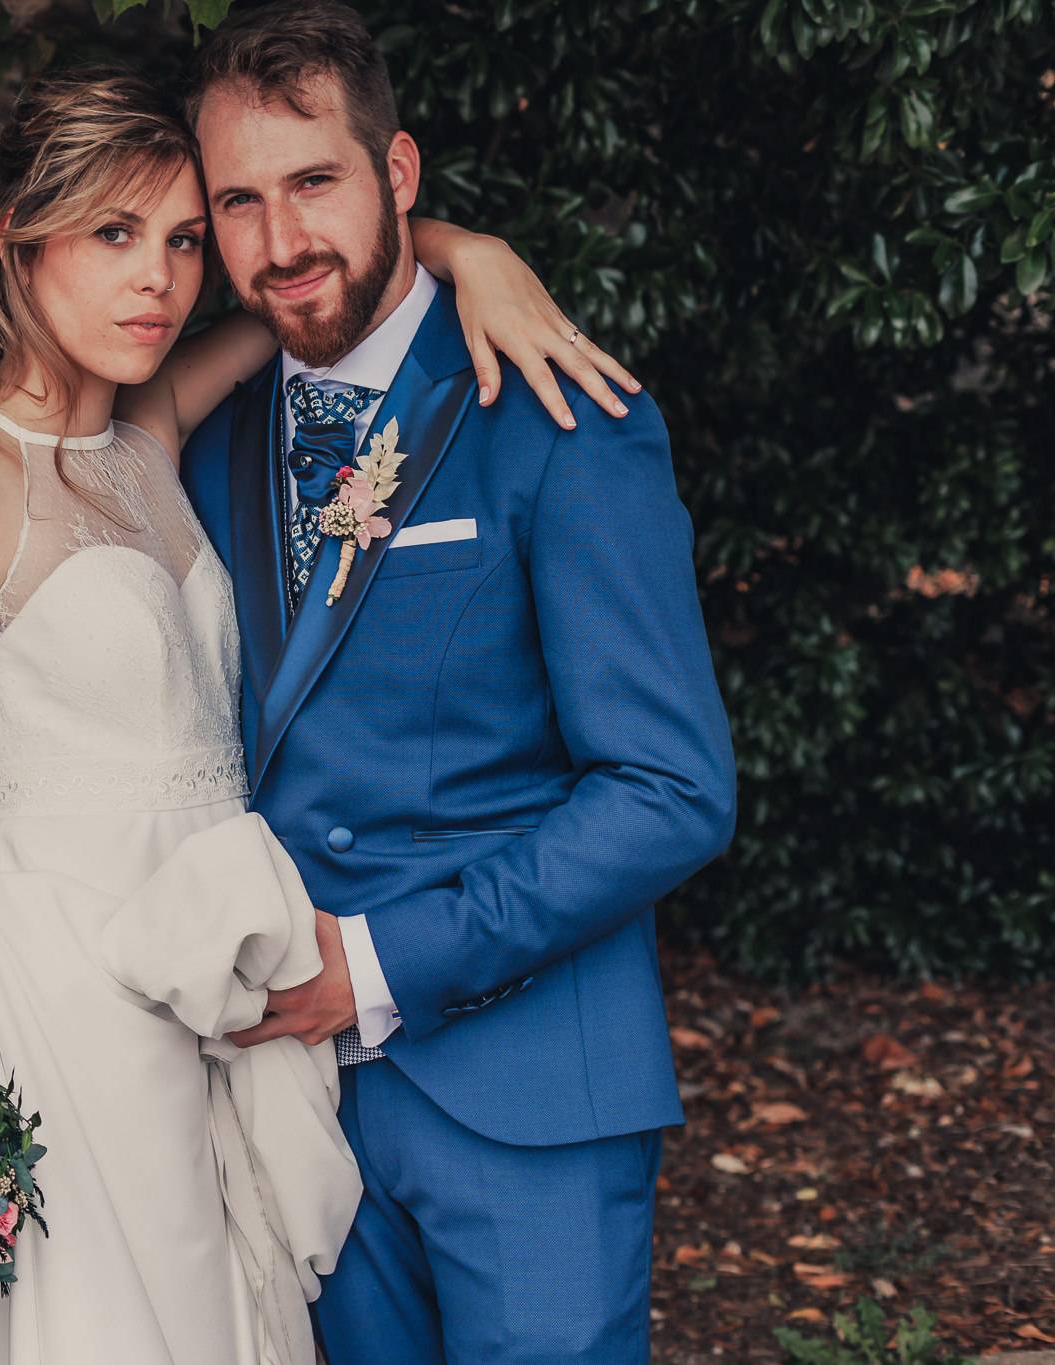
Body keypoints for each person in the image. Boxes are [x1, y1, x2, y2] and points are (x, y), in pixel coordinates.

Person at [0, 61, 650, 1365]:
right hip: (61, 975)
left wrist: (469, 250)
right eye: (113, 235)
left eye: (182, 239)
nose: (159, 276)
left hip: (222, 963)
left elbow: (318, 282)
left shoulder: (150, 432)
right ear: (17, 241)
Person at [170, 5, 739, 1364]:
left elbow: (670, 791)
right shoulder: (203, 440)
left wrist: (371, 964)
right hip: (283, 1104)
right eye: (238, 202)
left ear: (400, 174)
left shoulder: (559, 419)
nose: (281, 240)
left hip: (526, 1091)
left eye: (315, 181)